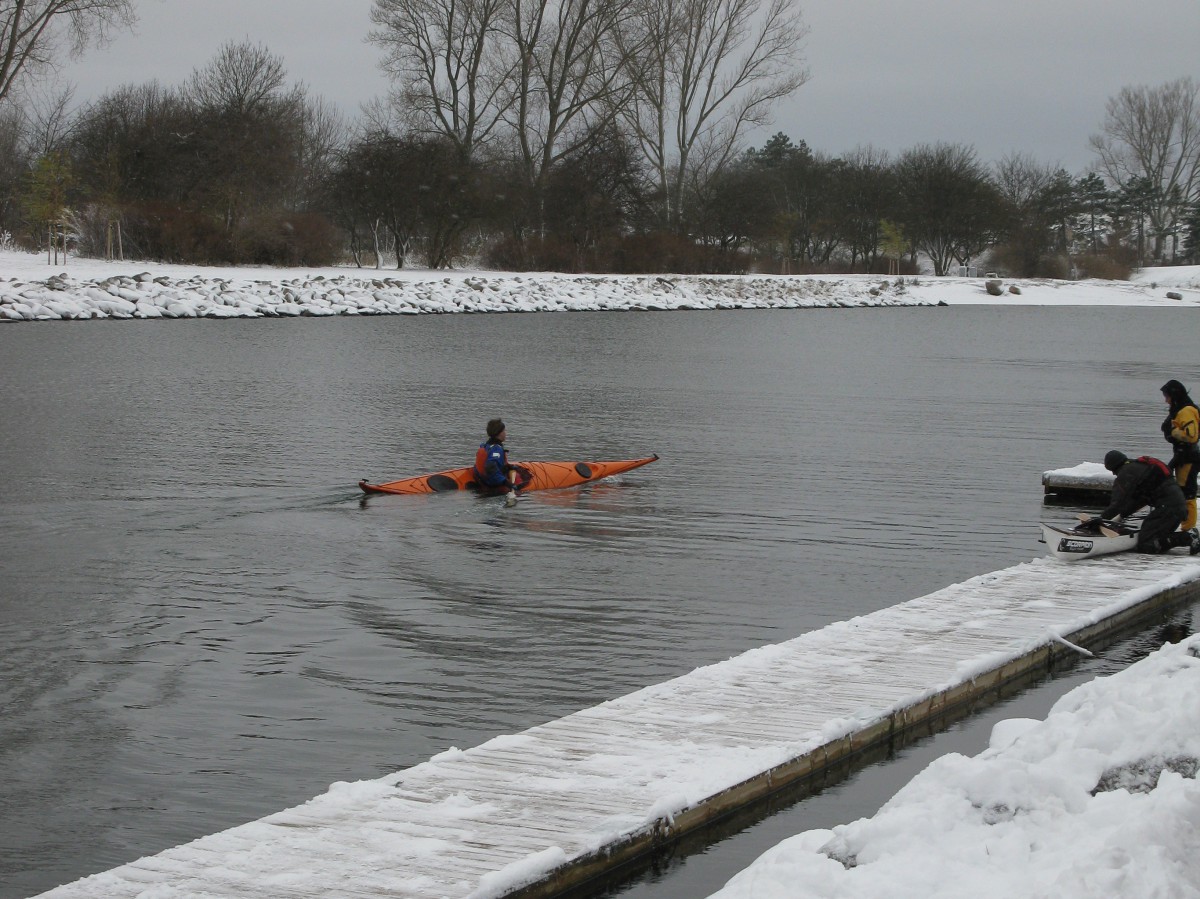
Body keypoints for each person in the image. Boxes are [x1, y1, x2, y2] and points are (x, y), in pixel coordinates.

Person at [1092, 450, 1199, 554]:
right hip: (1177, 507)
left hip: (1167, 509)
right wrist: (1122, 515)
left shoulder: (1126, 473)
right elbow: (1140, 500)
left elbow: (1117, 504)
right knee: (1151, 535)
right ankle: (1181, 538)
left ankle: (1188, 537)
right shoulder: (1139, 467)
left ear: (1113, 467)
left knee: (1146, 544)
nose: (1114, 474)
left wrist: (1100, 520)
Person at [1160, 379, 1200, 533]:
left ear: (1174, 395)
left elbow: (1191, 436)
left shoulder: (1186, 411)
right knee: (1183, 490)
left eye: (1167, 396)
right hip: (1183, 456)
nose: (1166, 400)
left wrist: (1174, 431)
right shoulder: (1181, 409)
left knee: (1187, 492)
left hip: (1188, 458)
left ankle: (1188, 528)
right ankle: (1186, 525)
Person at [473, 418, 522, 503]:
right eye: (504, 431)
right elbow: (490, 467)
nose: (505, 433)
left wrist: (508, 467)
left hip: (482, 480)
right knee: (521, 481)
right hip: (493, 484)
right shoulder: (496, 449)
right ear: (499, 433)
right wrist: (506, 483)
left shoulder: (485, 446)